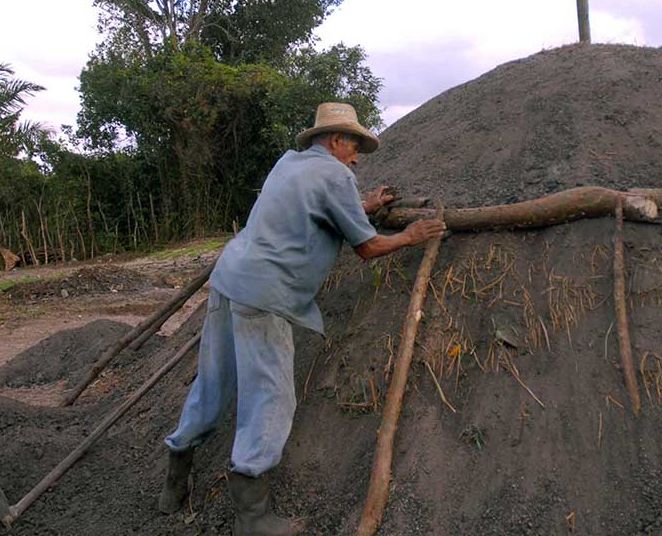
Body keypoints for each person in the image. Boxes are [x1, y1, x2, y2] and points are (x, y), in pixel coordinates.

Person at [158, 102, 446, 535]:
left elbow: (314, 213)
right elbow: (365, 249)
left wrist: (362, 206)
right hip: (265, 295)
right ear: (335, 140)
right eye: (354, 147)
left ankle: (173, 485)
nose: (356, 158)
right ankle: (252, 516)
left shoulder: (289, 163)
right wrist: (408, 236)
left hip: (229, 278)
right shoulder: (336, 175)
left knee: (213, 383)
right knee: (270, 396)